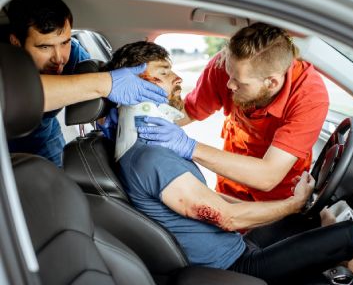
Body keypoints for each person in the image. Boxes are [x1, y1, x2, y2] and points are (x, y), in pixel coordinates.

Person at [113, 41, 353, 285]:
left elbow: (213, 201)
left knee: (311, 217)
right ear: (132, 86)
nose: (178, 78)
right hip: (234, 267)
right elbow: (227, 218)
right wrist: (292, 204)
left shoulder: (151, 148)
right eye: (163, 72)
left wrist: (289, 209)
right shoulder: (152, 157)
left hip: (234, 247)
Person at [137, 22, 329, 202]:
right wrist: (139, 122)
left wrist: (188, 146)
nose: (229, 84)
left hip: (279, 188)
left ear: (272, 83)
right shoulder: (227, 66)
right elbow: (188, 111)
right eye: (229, 75)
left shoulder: (309, 96)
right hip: (231, 171)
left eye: (239, 82)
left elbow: (268, 176)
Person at [6, 0, 167, 166]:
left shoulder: (74, 54)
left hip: (44, 135)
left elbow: (100, 94)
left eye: (64, 42)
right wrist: (106, 83)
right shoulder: (4, 60)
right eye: (45, 47)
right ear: (16, 42)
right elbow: (20, 96)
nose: (59, 58)